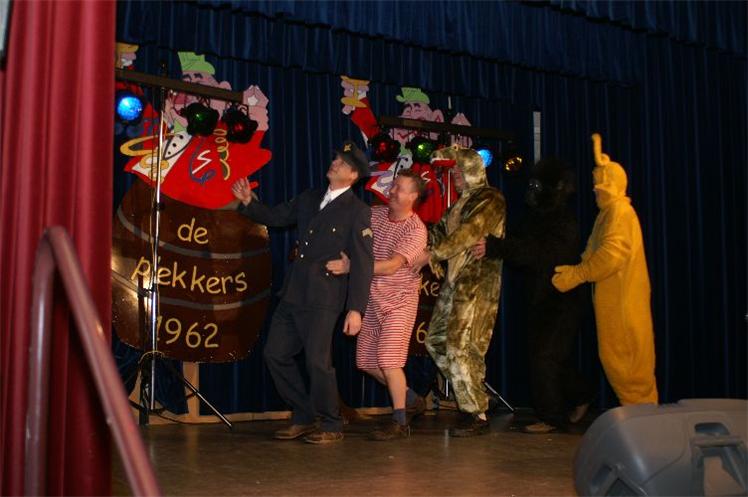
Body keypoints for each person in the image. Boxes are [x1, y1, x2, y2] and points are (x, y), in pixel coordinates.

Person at [231, 140, 374, 444]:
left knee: (317, 362)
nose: (334, 163)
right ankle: (304, 414)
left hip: (324, 296)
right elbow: (277, 217)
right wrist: (249, 203)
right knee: (275, 354)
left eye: (342, 163)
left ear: (353, 176)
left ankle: (331, 423)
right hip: (294, 292)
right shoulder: (310, 197)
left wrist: (356, 309)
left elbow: (363, 262)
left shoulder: (357, 211)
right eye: (335, 159)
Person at [472, 157, 594, 433]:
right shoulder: (534, 217)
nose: (532, 189)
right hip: (538, 297)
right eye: (532, 184)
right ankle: (583, 394)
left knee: (545, 358)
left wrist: (498, 247)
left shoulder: (563, 221)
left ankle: (552, 417)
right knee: (550, 357)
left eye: (538, 185)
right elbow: (520, 246)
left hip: (562, 300)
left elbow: (538, 254)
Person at [552, 134, 658, 405]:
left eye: (599, 185)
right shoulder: (607, 215)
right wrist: (574, 270)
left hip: (624, 304)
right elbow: (591, 251)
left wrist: (578, 275)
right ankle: (639, 416)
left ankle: (643, 417)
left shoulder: (620, 213)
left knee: (628, 365)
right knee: (617, 362)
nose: (594, 190)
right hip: (614, 303)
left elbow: (610, 256)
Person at [326, 169, 428, 441]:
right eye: (393, 186)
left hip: (399, 303)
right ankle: (411, 399)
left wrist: (352, 267)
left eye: (400, 188)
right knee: (366, 362)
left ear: (413, 197)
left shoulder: (416, 230)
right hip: (371, 300)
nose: (392, 191)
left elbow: (393, 265)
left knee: (388, 360)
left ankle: (399, 421)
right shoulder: (376, 214)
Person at [413, 145, 506, 437]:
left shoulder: (490, 198)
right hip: (454, 281)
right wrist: (424, 245)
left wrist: (434, 254)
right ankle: (476, 395)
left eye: (459, 170)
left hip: (476, 282)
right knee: (436, 341)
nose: (454, 175)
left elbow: (469, 233)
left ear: (472, 171)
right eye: (453, 171)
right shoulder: (458, 204)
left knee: (462, 345)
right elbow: (440, 230)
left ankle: (476, 412)